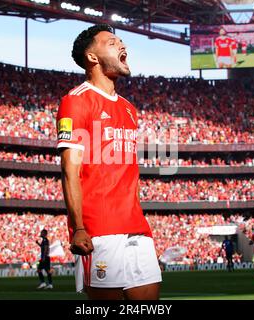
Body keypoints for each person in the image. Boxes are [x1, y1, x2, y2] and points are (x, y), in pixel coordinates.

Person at [57, 24, 162, 300]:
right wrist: (78, 227)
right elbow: (70, 169)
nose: (123, 46)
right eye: (113, 42)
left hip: (137, 226)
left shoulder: (129, 108)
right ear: (92, 57)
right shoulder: (75, 101)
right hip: (99, 230)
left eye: (122, 41)